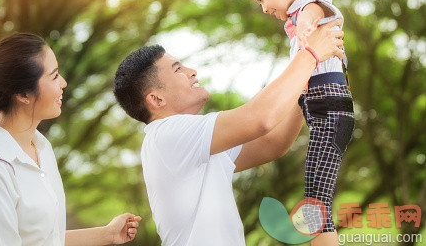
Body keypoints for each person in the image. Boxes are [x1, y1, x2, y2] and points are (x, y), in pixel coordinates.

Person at [113, 19, 344, 245]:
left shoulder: (193, 143)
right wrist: (310, 54)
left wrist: (308, 83)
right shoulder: (166, 135)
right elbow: (260, 118)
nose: (192, 71)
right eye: (178, 70)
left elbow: (272, 143)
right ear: (156, 99)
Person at [0, 33, 141, 246]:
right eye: (54, 75)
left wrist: (108, 234)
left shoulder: (41, 147)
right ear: (23, 94)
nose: (63, 83)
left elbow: (46, 240)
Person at [242, 0, 355, 245]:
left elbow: (314, 11)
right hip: (324, 109)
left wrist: (306, 26)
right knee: (316, 200)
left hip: (329, 106)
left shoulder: (310, 6)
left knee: (316, 203)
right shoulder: (296, 16)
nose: (263, 8)